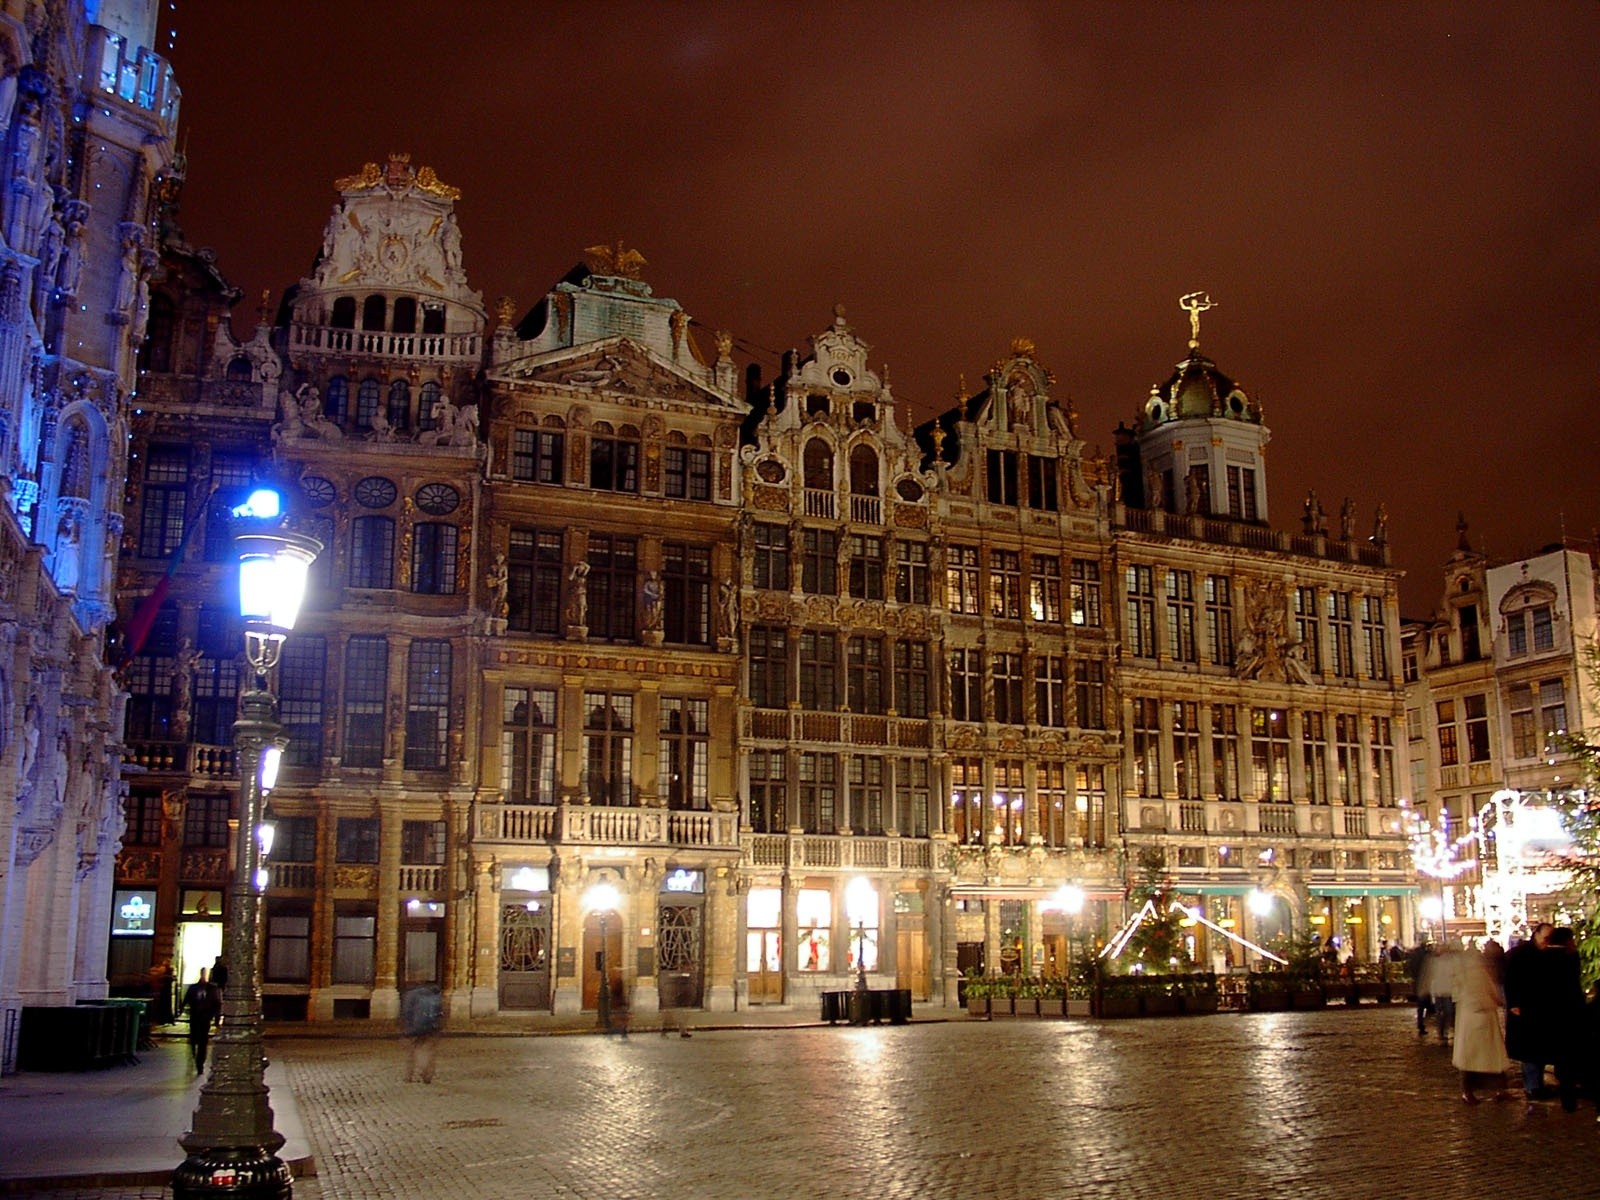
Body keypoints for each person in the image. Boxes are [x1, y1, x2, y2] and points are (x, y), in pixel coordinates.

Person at [1451, 946, 1510, 1103]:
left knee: (1471, 1058)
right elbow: (1492, 993)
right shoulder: (1479, 972)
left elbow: (1455, 995)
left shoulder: (1461, 973)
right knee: (1489, 1057)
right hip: (1481, 1019)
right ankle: (1495, 1090)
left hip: (1470, 1020)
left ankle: (1469, 1092)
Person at [1504, 923, 1555, 1103]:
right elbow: (1510, 981)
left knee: (1537, 1049)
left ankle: (1536, 1084)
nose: (1547, 942)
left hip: (1539, 1010)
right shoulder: (1521, 955)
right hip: (1525, 1010)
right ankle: (1533, 1086)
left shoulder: (1545, 954)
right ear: (1536, 934)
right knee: (1530, 1050)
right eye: (1546, 938)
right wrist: (1514, 1003)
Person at [178, 968, 221, 1075]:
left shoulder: (212, 988)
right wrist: (180, 1011)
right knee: (193, 1040)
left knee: (203, 1042)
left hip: (205, 1019)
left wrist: (216, 1018)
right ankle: (194, 1055)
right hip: (195, 1018)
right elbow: (186, 1000)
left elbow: (217, 1004)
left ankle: (200, 1063)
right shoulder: (193, 988)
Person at [400, 982, 443, 1083]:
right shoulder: (434, 995)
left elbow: (406, 1012)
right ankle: (427, 1074)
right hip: (431, 1028)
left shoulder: (411, 995)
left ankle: (408, 1075)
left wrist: (406, 1028)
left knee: (411, 1052)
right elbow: (440, 1013)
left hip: (414, 1029)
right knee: (428, 1051)